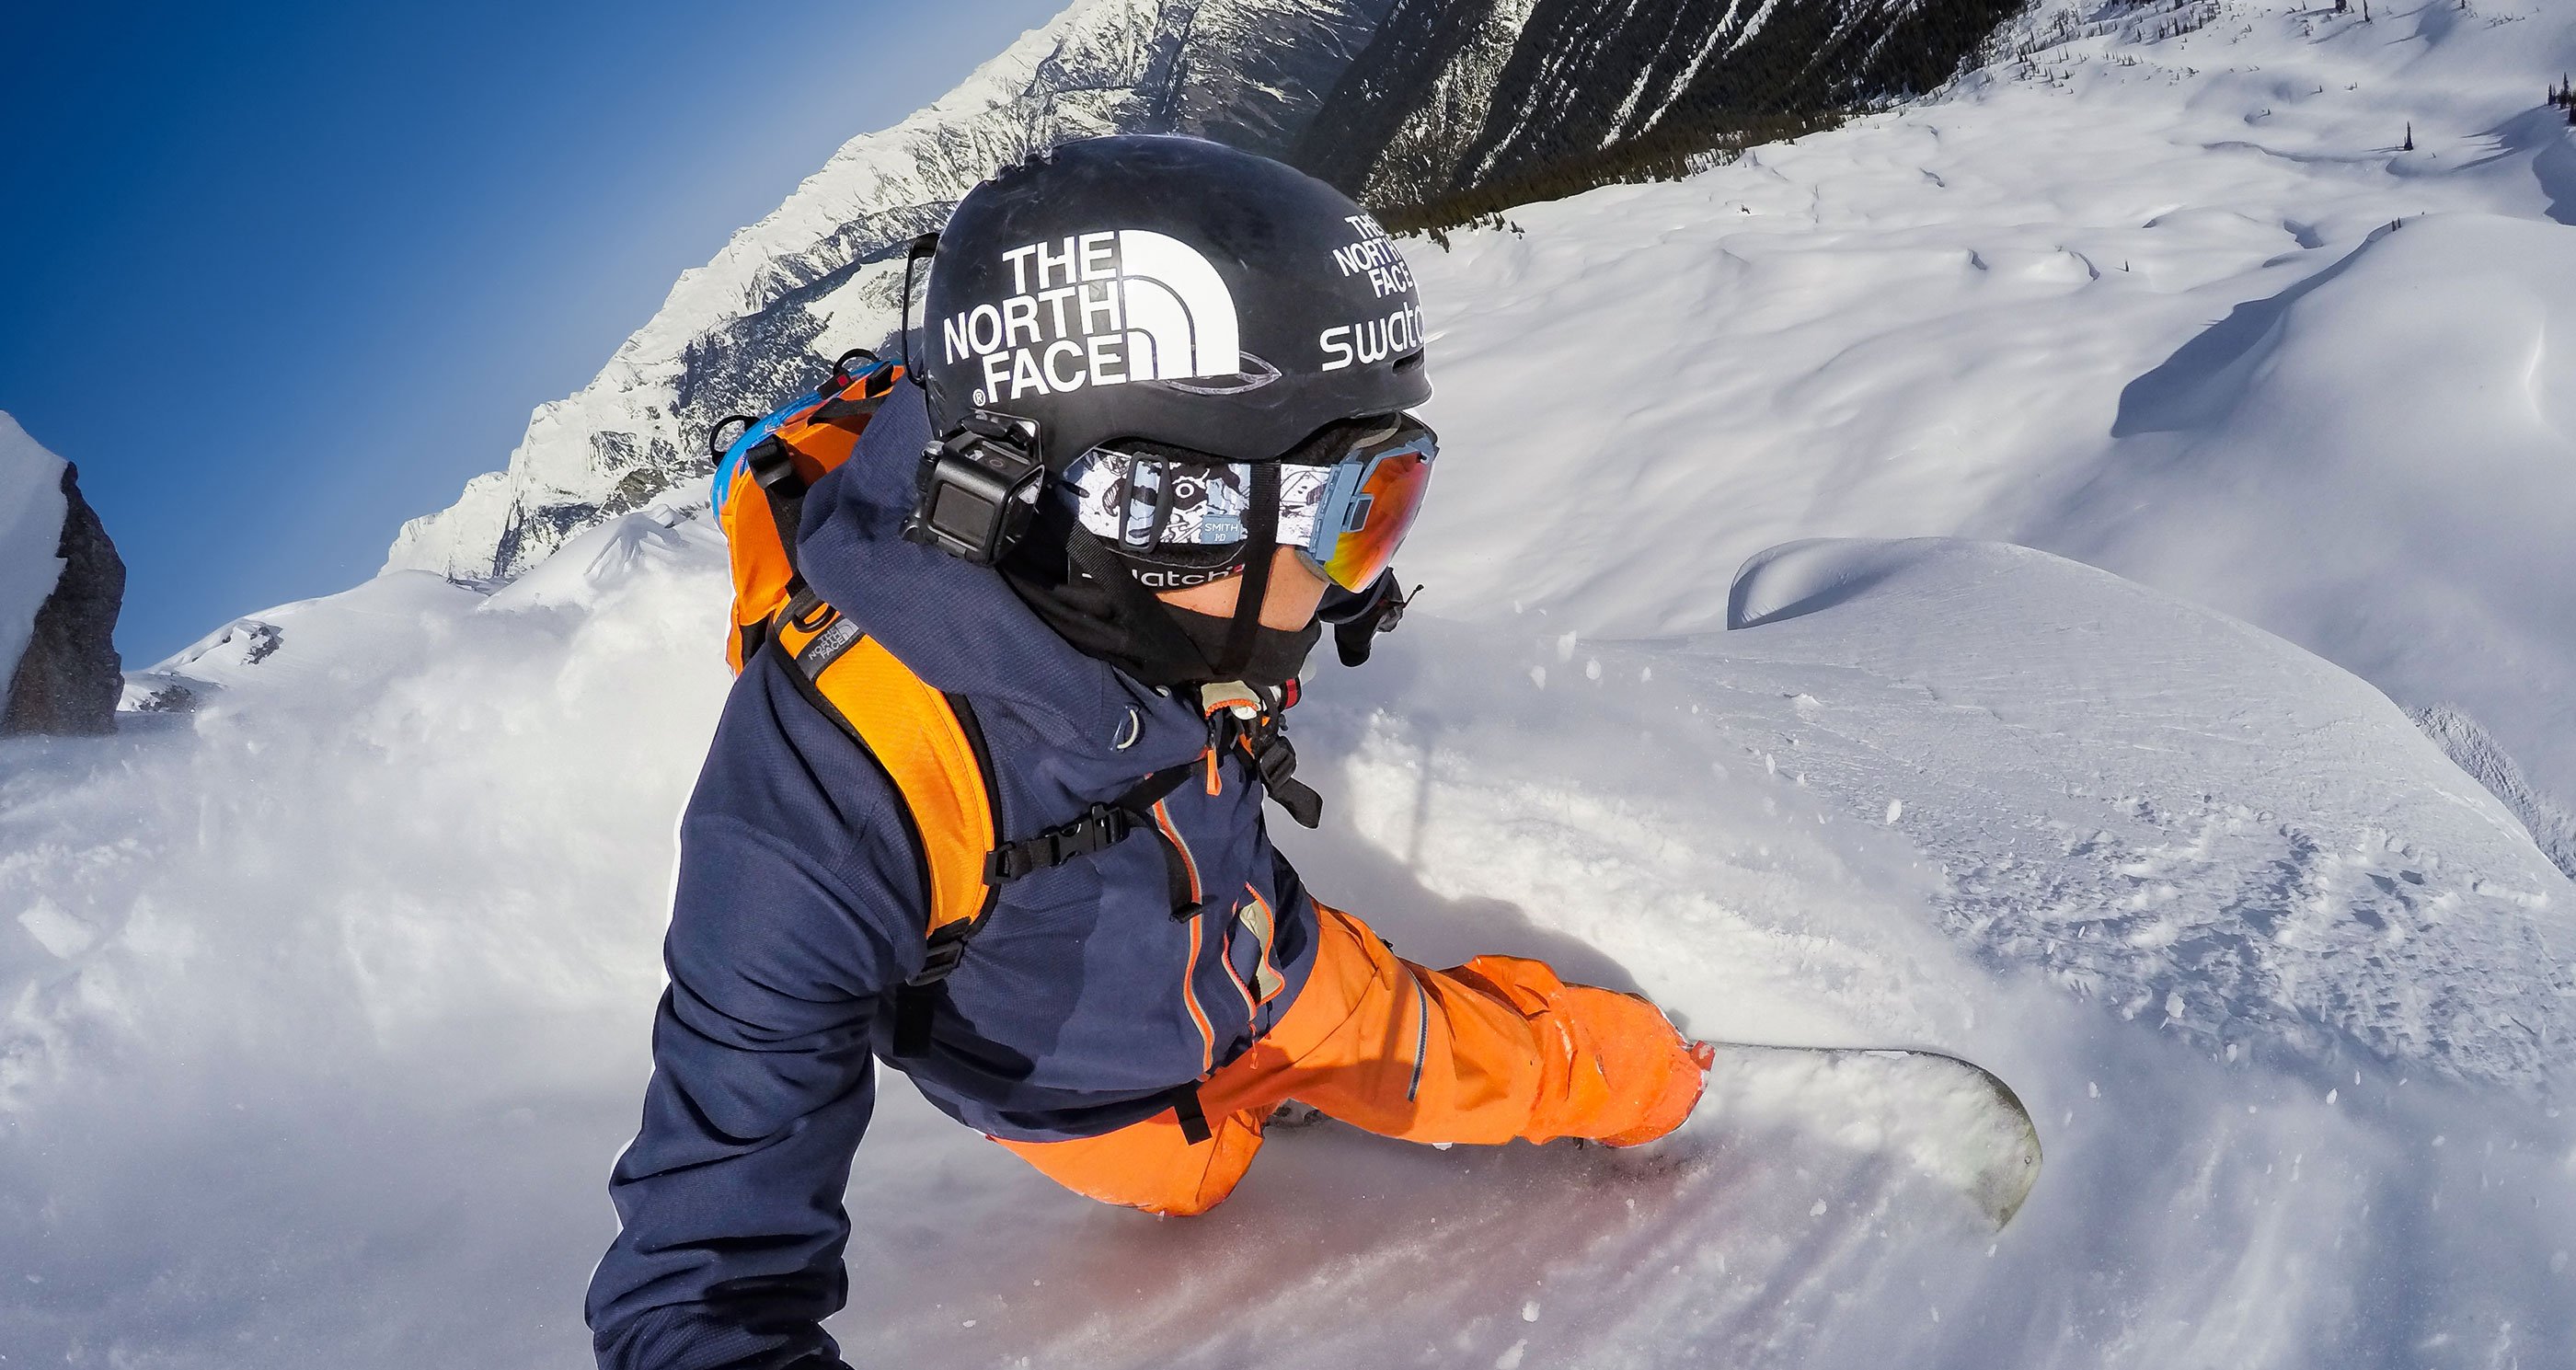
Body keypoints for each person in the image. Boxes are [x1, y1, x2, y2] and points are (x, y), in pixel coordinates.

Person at [584, 135, 1712, 1370]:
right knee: (1196, 1176)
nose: (1350, 589)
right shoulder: (836, 787)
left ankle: (1672, 1081)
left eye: (1382, 514)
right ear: (1157, 511)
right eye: (1348, 511)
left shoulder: (1128, 578)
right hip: (1086, 1095)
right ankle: (1251, 1111)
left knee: (1540, 1059)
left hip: (1264, 959)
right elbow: (696, 1297)